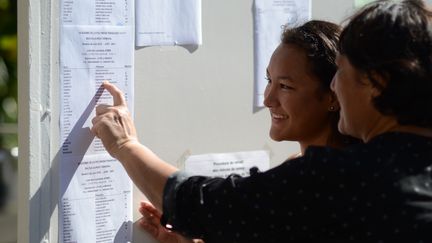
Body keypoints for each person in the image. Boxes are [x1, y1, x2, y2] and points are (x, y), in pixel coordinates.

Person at [92, 0, 432, 241]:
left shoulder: (342, 178)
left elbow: (203, 204)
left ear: (377, 83)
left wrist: (124, 145)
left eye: (342, 71)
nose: (334, 84)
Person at [137, 20, 355, 243]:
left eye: (285, 86)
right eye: (269, 80)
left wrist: (124, 145)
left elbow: (199, 201)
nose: (268, 99)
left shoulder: (312, 179)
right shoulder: (303, 164)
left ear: (333, 95)